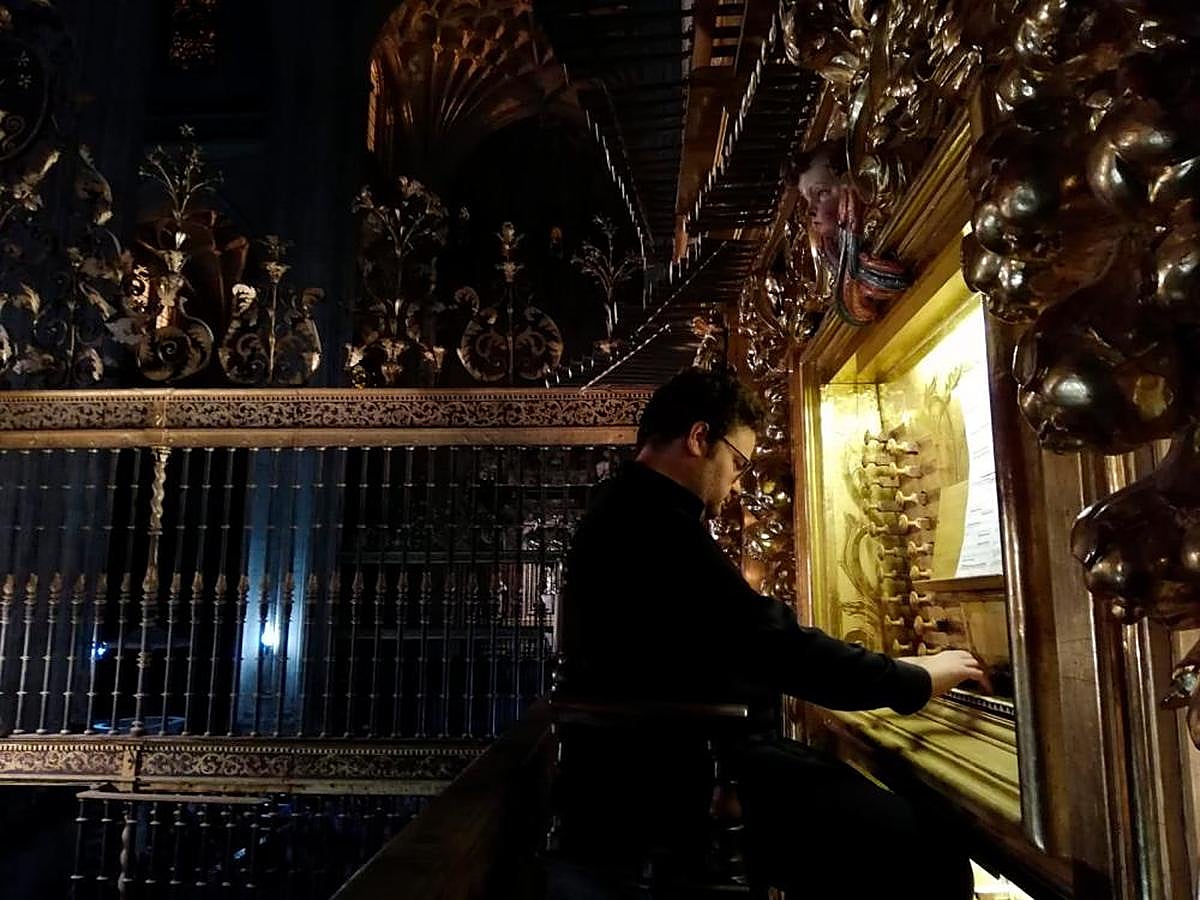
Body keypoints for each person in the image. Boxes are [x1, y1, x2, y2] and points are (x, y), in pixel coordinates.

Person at [561, 366, 981, 899]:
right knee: (930, 855)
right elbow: (772, 644)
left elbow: (749, 635)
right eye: (737, 463)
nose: (736, 484)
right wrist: (912, 680)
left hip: (668, 761)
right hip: (683, 781)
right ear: (698, 438)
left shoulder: (631, 506)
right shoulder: (650, 520)